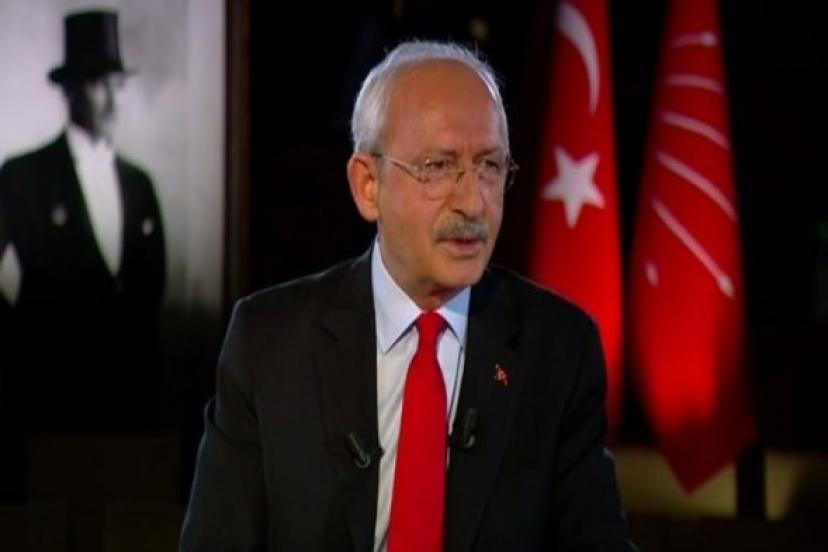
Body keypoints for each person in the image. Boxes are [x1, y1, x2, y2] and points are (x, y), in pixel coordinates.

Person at [181, 41, 634, 551]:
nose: (473, 202)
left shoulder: (557, 350)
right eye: (438, 166)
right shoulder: (270, 343)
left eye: (489, 166)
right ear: (368, 185)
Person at [0, 9, 165, 436]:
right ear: (70, 90)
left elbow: (151, 288)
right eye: (97, 84)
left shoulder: (139, 185)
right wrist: (23, 342)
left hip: (127, 403)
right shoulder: (23, 177)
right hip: (47, 400)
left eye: (117, 84)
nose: (111, 99)